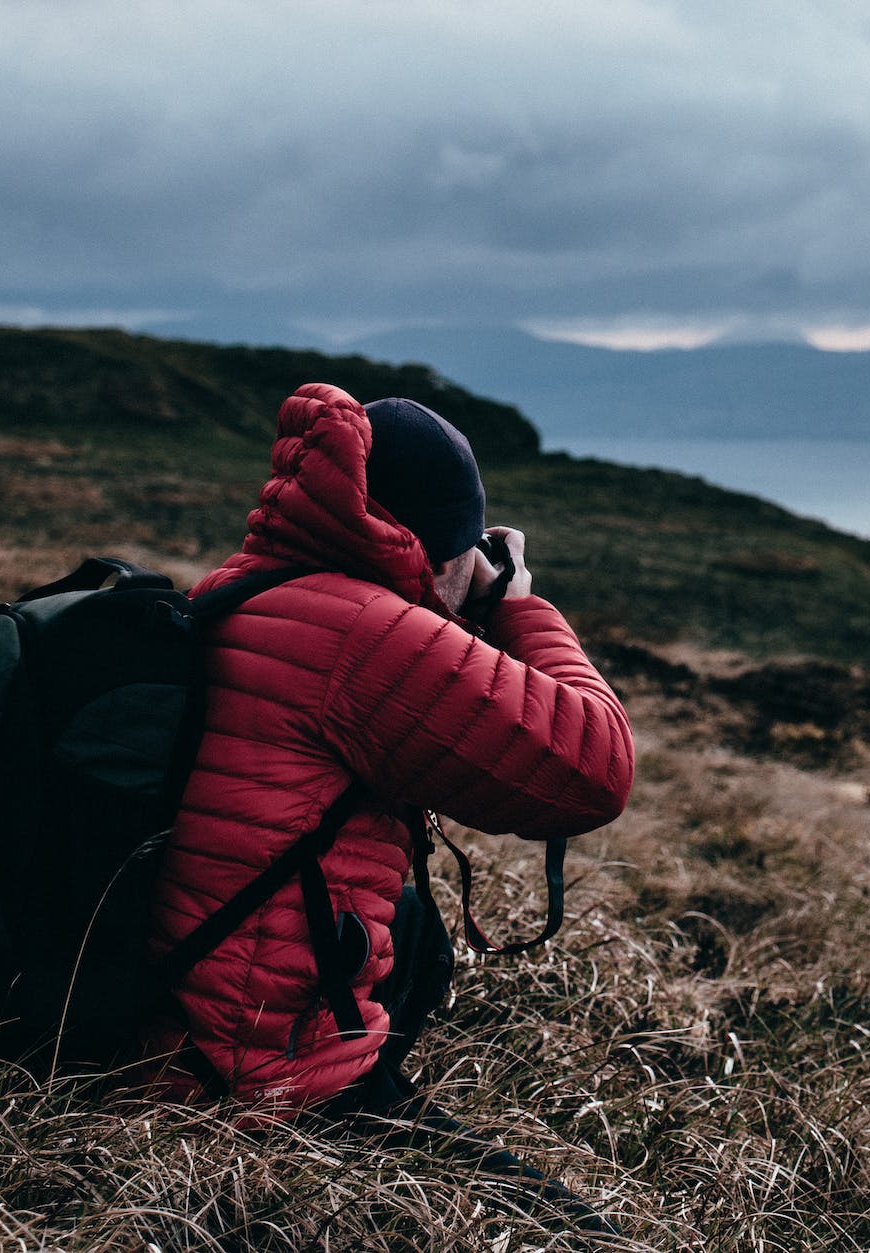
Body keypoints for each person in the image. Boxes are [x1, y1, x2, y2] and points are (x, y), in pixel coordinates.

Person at [140, 382, 635, 1118]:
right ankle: (334, 1104)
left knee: (412, 928)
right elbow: (595, 767)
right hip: (237, 1077)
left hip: (146, 1020)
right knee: (562, 1227)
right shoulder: (368, 635)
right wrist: (517, 607)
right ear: (440, 550)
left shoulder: (243, 585)